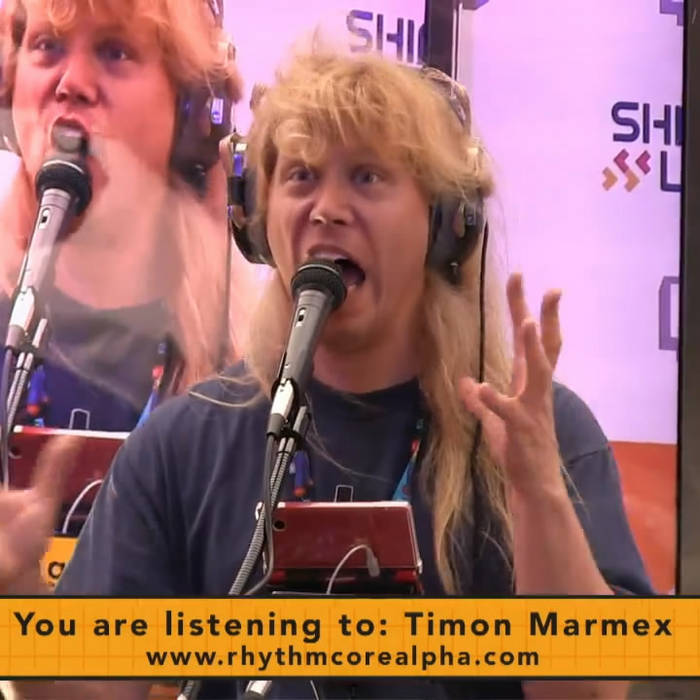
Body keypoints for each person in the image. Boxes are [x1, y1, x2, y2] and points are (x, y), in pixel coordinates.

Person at [1, 48, 652, 699]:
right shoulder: (186, 442)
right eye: (302, 176)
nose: (327, 208)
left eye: (367, 177)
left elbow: (595, 693)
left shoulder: (535, 436)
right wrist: (19, 597)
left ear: (445, 225)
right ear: (258, 223)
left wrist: (538, 494)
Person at [0, 0, 250, 434]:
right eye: (47, 45)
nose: (72, 84)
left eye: (114, 52)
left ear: (190, 107)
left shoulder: (256, 370)